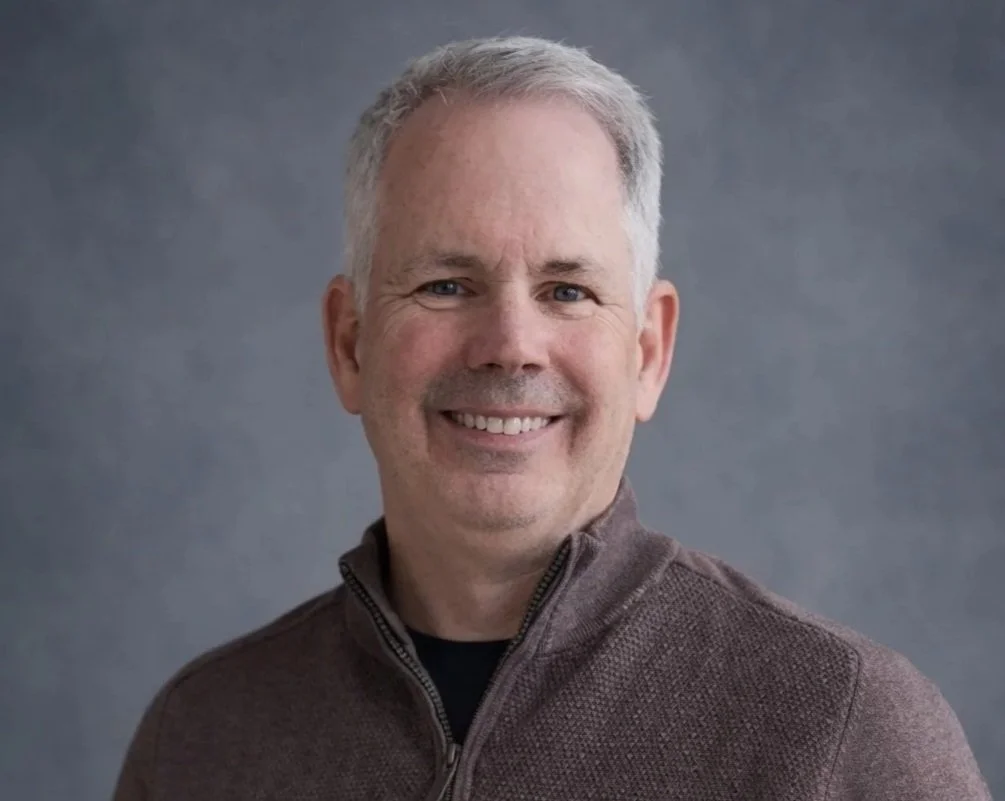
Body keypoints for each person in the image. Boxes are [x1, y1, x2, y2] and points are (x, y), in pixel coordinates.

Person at [113, 36, 992, 800]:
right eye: (446, 285)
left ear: (647, 349)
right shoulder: (202, 737)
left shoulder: (840, 726)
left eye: (567, 290)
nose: (510, 346)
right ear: (350, 343)